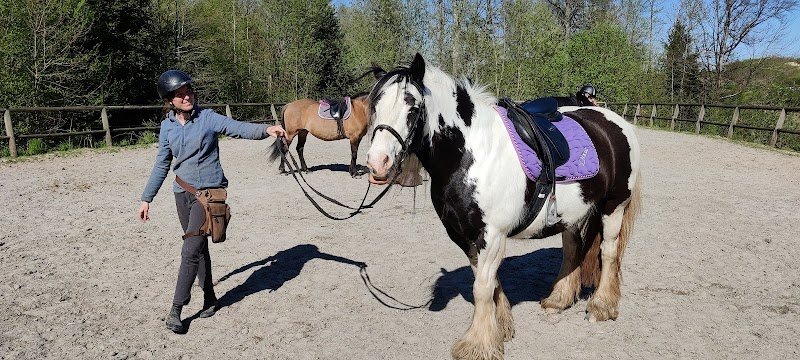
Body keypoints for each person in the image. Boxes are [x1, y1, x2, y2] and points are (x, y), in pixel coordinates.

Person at [137, 70, 286, 334]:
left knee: (190, 249)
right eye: (180, 94)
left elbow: (237, 127)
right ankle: (209, 298)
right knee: (198, 247)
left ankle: (176, 309)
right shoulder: (167, 127)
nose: (187, 97)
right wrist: (146, 198)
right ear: (170, 100)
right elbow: (162, 163)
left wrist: (266, 129)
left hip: (209, 194)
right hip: (182, 192)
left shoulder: (207, 118)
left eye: (189, 91)